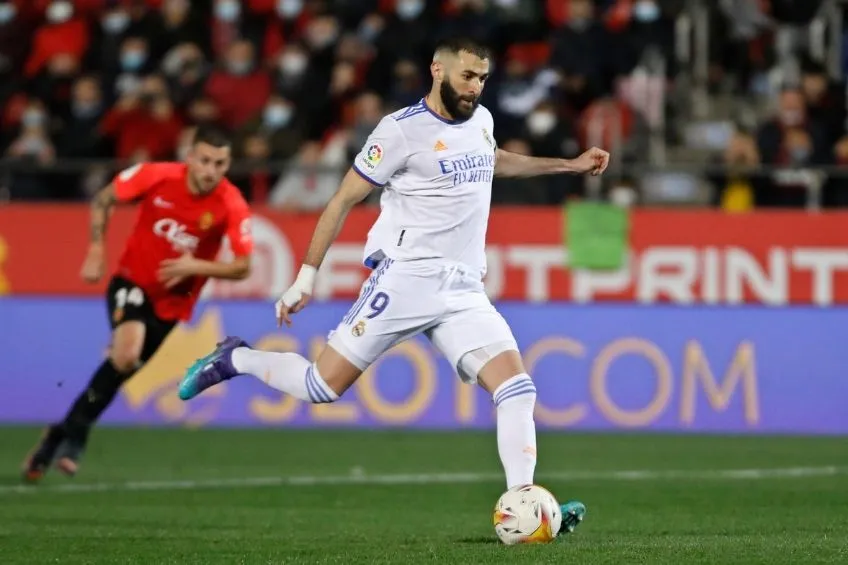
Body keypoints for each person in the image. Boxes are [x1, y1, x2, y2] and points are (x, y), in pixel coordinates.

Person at [179, 37, 608, 536]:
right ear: (437, 70)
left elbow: (492, 160)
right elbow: (341, 200)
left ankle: (524, 502)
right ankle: (236, 358)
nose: (475, 88)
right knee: (321, 387)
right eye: (468, 76)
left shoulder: (482, 121)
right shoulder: (400, 132)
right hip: (406, 277)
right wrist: (305, 277)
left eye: (483, 78)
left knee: (517, 388)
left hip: (463, 287)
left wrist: (568, 165)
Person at [22, 126, 254, 482]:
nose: (211, 170)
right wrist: (97, 249)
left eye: (220, 163)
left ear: (228, 164)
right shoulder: (157, 175)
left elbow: (243, 266)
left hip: (174, 303)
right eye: (205, 160)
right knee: (127, 354)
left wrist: (196, 266)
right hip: (132, 281)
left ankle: (57, 435)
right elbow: (104, 198)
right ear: (190, 156)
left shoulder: (231, 203)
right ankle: (77, 435)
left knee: (119, 372)